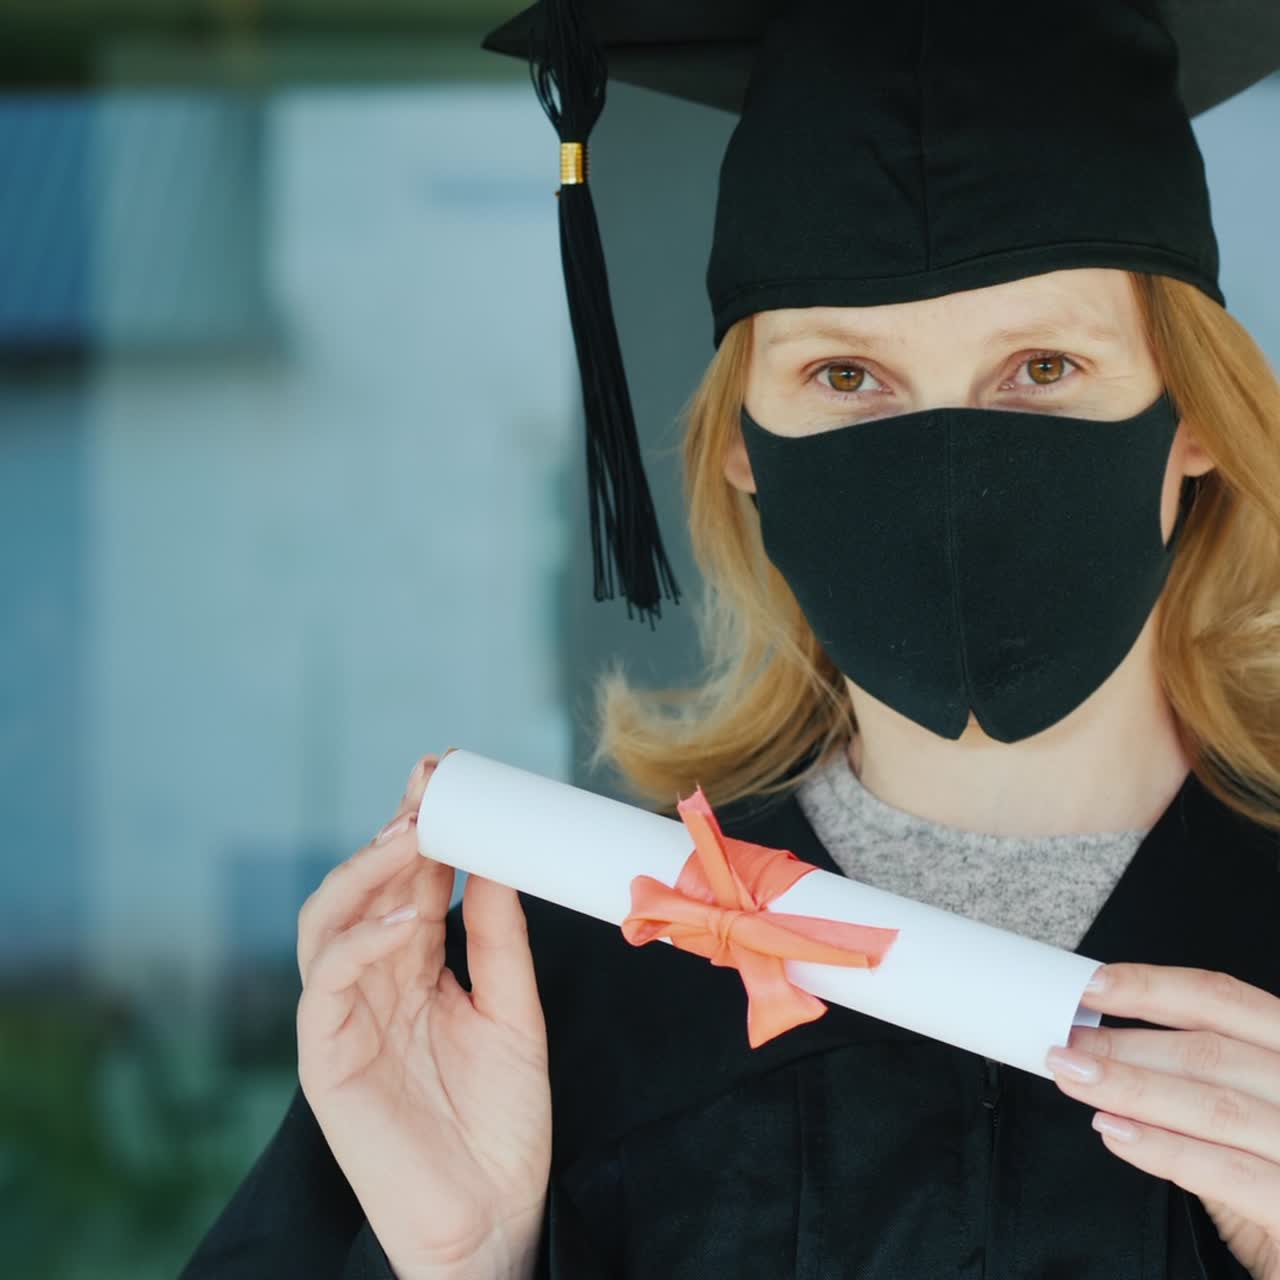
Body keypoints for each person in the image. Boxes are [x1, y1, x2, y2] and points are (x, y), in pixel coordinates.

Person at [181, 1, 1280, 1276]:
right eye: (844, 376)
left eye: (1040, 366)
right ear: (745, 450)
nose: (944, 465)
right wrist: (467, 1257)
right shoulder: (542, 992)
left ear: (1189, 414)